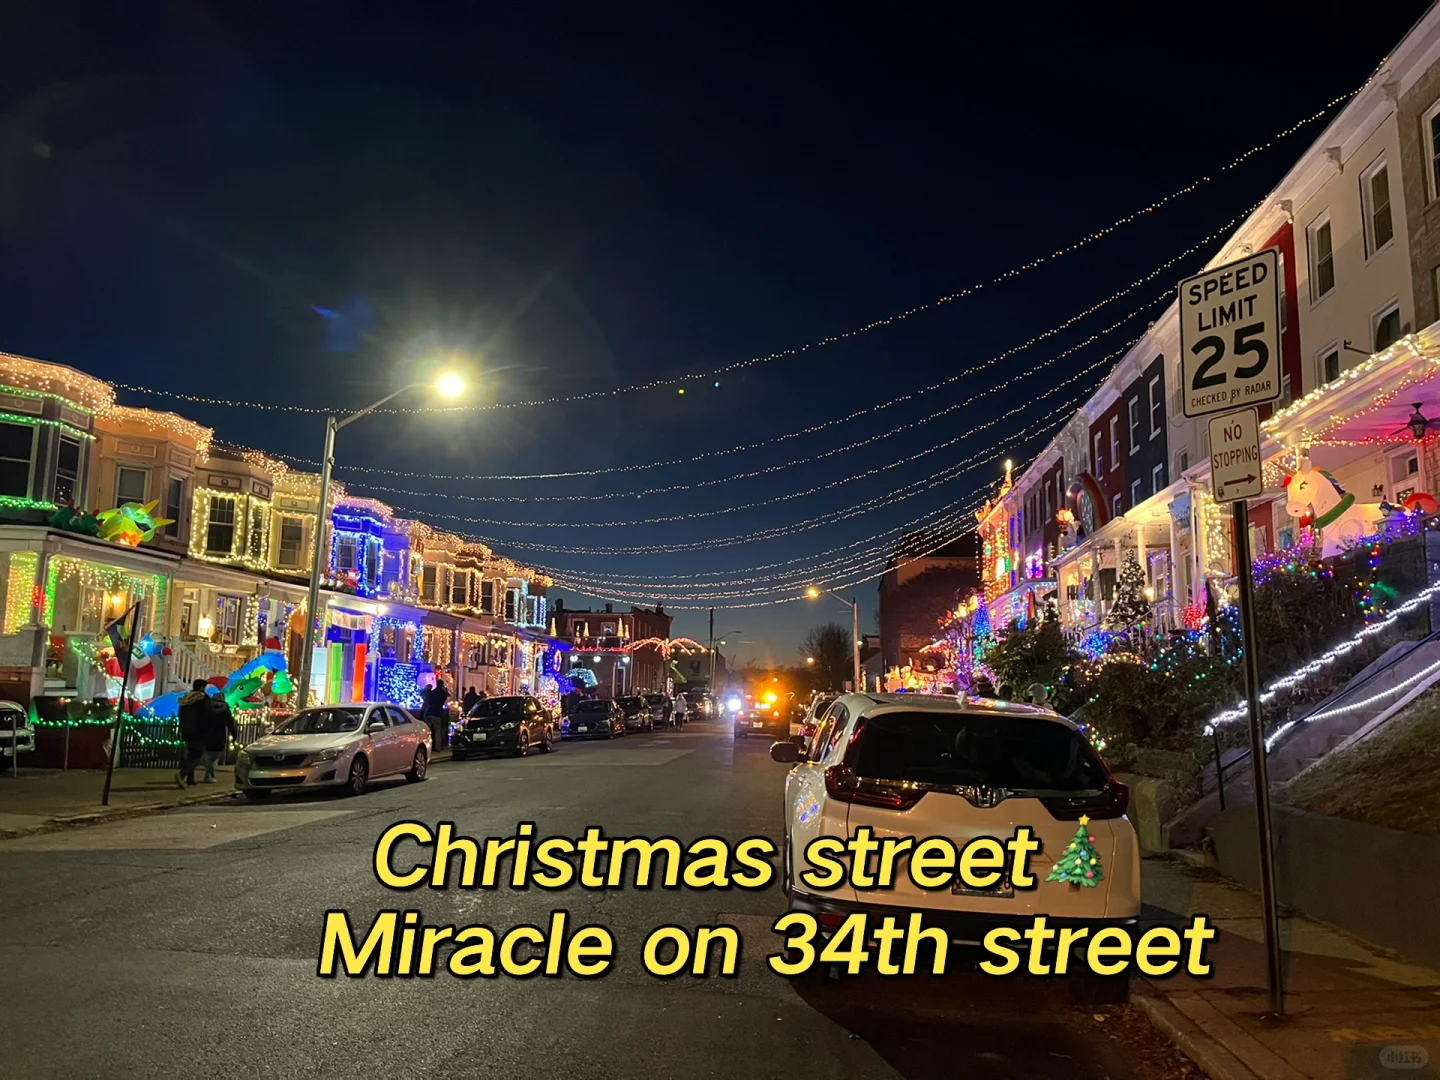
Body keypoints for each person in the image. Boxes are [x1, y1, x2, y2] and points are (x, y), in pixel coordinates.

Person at [175, 680, 211, 788]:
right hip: (199, 731)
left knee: (190, 754)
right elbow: (207, 715)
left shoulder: (186, 698)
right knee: (197, 756)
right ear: (201, 687)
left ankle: (190, 779)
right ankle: (182, 774)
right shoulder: (203, 699)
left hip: (187, 730)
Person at [199, 691, 238, 783]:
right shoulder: (225, 708)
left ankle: (210, 774)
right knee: (214, 756)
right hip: (218, 734)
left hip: (206, 733)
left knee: (209, 754)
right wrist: (234, 734)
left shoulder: (207, 707)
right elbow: (230, 723)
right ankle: (207, 776)